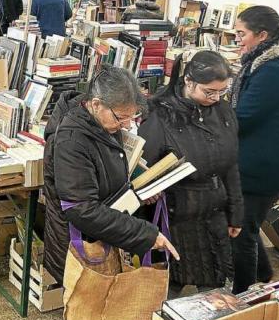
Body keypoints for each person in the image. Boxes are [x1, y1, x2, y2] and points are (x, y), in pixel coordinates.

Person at [43, 66, 179, 283]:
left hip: (103, 233)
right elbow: (81, 209)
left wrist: (139, 192)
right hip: (82, 244)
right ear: (96, 104)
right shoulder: (71, 141)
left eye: (131, 118)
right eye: (121, 117)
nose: (126, 125)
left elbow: (104, 175)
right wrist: (144, 233)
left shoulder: (103, 124)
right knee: (89, 307)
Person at [138, 51, 242, 295]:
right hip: (177, 217)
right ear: (188, 81)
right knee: (169, 288)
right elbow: (141, 171)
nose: (216, 98)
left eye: (222, 91)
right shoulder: (160, 116)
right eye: (209, 91)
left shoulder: (223, 112)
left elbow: (231, 164)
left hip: (214, 211)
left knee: (215, 287)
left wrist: (236, 211)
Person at [230, 5, 279, 293]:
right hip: (267, 157)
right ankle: (262, 273)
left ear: (262, 35)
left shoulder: (273, 69)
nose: (237, 39)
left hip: (268, 164)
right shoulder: (265, 61)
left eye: (242, 34)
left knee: (240, 230)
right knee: (249, 223)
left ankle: (243, 297)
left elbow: (245, 116)